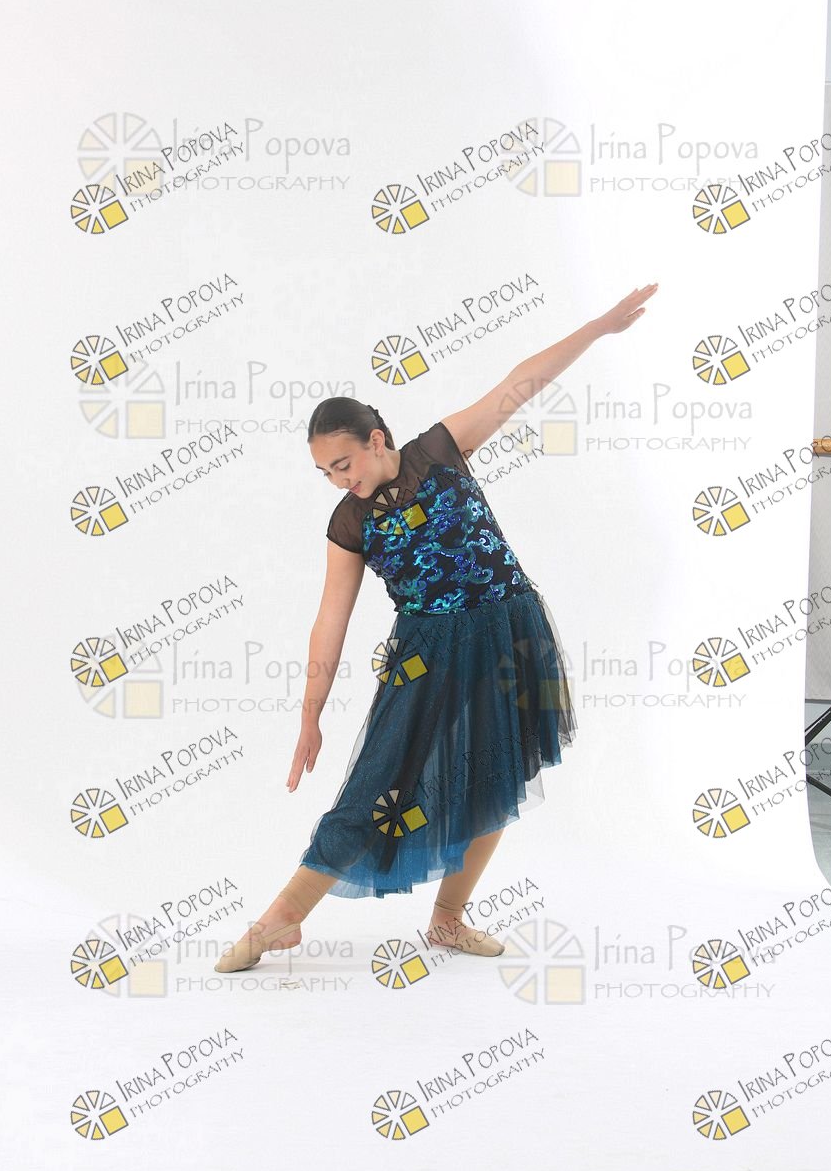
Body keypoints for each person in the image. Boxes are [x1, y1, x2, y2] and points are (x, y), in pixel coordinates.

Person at [215, 282, 658, 972]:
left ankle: (449, 919)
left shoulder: (440, 451)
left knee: (500, 772)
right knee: (380, 781)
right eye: (324, 472)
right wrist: (310, 715)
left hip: (510, 628)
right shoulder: (350, 523)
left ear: (377, 440)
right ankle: (282, 917)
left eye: (343, 464)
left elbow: (519, 385)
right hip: (427, 652)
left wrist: (597, 328)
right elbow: (330, 620)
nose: (338, 480)